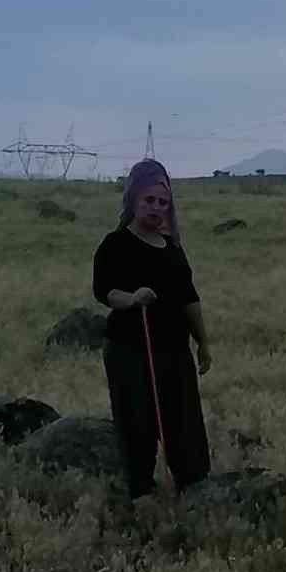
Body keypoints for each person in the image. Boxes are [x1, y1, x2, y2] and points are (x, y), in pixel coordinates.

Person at [92, 158, 212, 499]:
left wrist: (203, 342)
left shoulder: (173, 250)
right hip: (130, 350)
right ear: (132, 199)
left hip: (174, 350)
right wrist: (132, 298)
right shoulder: (115, 245)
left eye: (163, 202)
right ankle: (140, 491)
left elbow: (190, 298)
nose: (157, 208)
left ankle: (193, 488)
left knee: (185, 422)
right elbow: (105, 291)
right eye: (149, 200)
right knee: (137, 424)